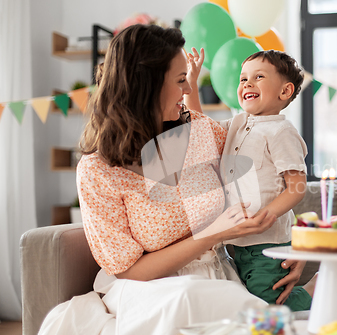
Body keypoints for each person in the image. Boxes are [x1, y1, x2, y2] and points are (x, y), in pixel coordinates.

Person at [38, 25, 280, 335]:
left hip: (216, 282)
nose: (189, 90)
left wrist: (288, 249)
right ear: (147, 85)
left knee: (220, 309)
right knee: (186, 296)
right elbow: (129, 271)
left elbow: (271, 172)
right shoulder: (97, 171)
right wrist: (212, 234)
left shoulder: (199, 132)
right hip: (146, 290)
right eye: (181, 80)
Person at [186, 49, 316, 311]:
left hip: (269, 241)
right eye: (243, 78)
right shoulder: (237, 123)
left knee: (267, 302)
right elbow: (197, 128)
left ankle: (317, 290)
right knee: (246, 298)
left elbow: (297, 187)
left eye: (258, 77)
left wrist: (268, 213)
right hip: (237, 241)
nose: (247, 83)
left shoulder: (281, 132)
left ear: (285, 91)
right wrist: (191, 85)